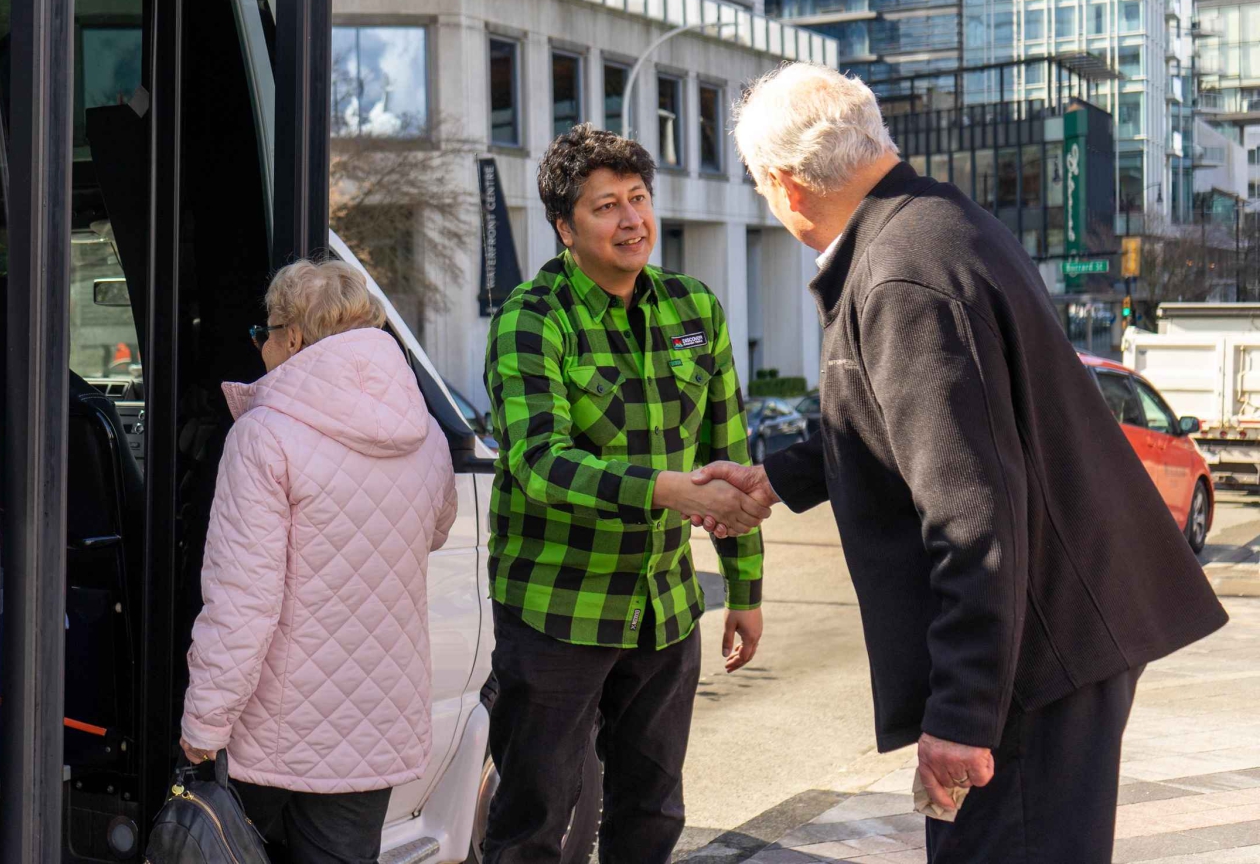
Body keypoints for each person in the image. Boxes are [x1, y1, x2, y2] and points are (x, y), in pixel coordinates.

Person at [697, 63, 1228, 863]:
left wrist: (962, 714)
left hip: (1032, 657)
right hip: (1061, 629)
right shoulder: (934, 222)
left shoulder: (901, 273)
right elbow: (898, 419)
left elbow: (969, 509)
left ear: (785, 184)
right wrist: (777, 478)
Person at [481, 124, 767, 864]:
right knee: (533, 822)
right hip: (555, 610)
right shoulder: (532, 318)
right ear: (564, 227)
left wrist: (746, 588)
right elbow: (540, 460)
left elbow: (729, 456)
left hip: (666, 607)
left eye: (638, 198)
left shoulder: (695, 310)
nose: (632, 219)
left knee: (652, 810)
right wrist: (665, 489)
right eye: (605, 205)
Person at [179, 258, 457, 864]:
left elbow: (242, 602)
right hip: (377, 724)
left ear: (294, 338)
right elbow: (435, 530)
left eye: (264, 335)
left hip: (277, 733)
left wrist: (204, 723)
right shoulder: (427, 434)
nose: (261, 350)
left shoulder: (264, 437)